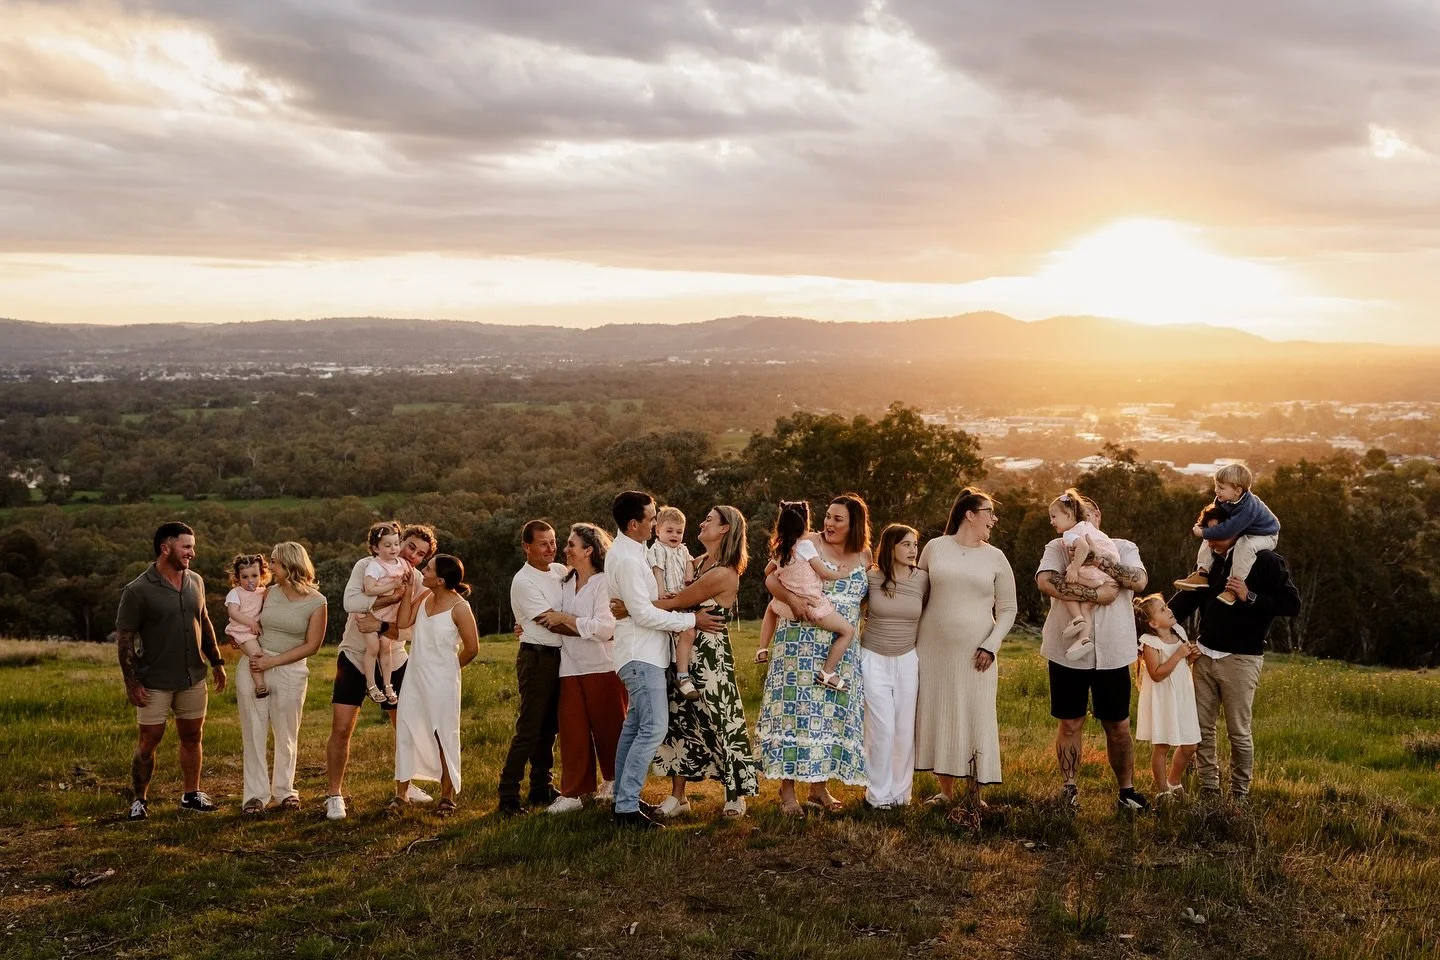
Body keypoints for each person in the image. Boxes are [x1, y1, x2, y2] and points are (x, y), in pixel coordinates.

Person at [606, 491, 725, 830]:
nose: (656, 522)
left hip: (644, 653)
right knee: (654, 728)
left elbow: (638, 605)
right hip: (640, 654)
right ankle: (626, 809)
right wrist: (692, 621)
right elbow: (643, 614)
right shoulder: (628, 560)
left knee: (633, 729)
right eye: (651, 518)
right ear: (634, 524)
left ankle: (622, 799)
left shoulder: (635, 553)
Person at [1168, 504, 1301, 799]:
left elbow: (1292, 605)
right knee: (1202, 729)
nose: (1213, 541)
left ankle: (1239, 793)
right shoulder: (1209, 562)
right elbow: (1187, 601)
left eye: (1220, 534)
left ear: (1237, 530)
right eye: (1209, 535)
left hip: (1242, 659)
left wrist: (1249, 596)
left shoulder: (1266, 561)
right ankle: (1209, 789)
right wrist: (1154, 621)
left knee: (1239, 732)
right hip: (1203, 656)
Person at [758, 493, 871, 816]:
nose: (829, 523)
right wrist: (792, 602)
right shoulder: (807, 541)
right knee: (796, 715)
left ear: (854, 525)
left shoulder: (864, 554)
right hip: (800, 643)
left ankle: (818, 790)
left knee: (827, 718)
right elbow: (769, 575)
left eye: (838, 519)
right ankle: (787, 791)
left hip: (841, 647)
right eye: (828, 517)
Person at [1036, 504, 1152, 812]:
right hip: (1068, 652)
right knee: (1070, 722)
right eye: (1080, 513)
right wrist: (1094, 595)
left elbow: (1139, 581)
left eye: (1090, 513)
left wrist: (1097, 559)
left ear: (1098, 516)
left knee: (1118, 726)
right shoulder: (1059, 545)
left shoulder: (1124, 547)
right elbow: (1046, 581)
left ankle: (1126, 792)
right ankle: (1069, 790)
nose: (1085, 518)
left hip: (1113, 651)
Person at [648, 505, 760, 819]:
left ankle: (735, 795)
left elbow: (677, 602)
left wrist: (633, 607)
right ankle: (678, 797)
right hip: (681, 654)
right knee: (680, 721)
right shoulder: (695, 562)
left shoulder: (723, 572)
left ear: (725, 529)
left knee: (722, 721)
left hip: (711, 658)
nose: (702, 522)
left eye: (710, 520)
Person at [325, 523, 437, 821]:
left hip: (394, 658)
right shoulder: (367, 566)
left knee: (404, 727)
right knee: (342, 728)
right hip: (354, 655)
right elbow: (350, 602)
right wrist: (385, 599)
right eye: (410, 547)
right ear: (398, 543)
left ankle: (407, 785)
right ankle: (334, 795)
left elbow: (411, 631)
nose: (413, 555)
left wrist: (382, 626)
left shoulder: (420, 584)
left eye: (421, 554)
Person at [116, 521, 226, 820]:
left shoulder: (196, 581)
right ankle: (140, 800)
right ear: (166, 548)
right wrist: (132, 682)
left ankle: (191, 795)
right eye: (186, 546)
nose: (192, 552)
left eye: (192, 546)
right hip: (154, 681)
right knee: (149, 739)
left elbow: (204, 621)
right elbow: (125, 639)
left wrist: (216, 662)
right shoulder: (137, 590)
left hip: (192, 676)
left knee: (192, 736)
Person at [914, 489, 1018, 806]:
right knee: (941, 712)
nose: (994, 519)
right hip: (933, 649)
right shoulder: (934, 548)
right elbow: (916, 595)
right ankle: (945, 792)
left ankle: (975, 794)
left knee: (976, 713)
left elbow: (1008, 609)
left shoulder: (996, 557)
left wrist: (991, 645)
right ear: (969, 514)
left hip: (978, 653)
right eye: (989, 512)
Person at [537, 523, 623, 813]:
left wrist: (566, 619)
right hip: (569, 665)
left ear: (588, 550)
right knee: (572, 729)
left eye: (571, 545)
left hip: (603, 665)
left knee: (609, 727)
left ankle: (614, 781)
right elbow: (550, 619)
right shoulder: (564, 581)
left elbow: (606, 629)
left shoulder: (603, 582)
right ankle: (573, 793)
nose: (565, 549)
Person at [239, 542, 327, 814]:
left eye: (274, 562)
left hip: (290, 670)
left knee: (286, 733)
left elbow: (312, 645)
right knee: (254, 731)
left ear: (289, 565)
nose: (269, 567)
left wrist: (274, 661)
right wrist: (243, 642)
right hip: (254, 667)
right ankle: (254, 796)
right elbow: (246, 619)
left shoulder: (317, 601)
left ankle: (285, 791)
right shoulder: (267, 593)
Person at [390, 554, 480, 815]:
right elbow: (404, 622)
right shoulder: (426, 597)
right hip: (414, 678)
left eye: (428, 569)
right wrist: (407, 591)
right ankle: (401, 794)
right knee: (406, 730)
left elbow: (472, 648)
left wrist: (449, 669)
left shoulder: (460, 608)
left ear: (440, 580)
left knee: (443, 734)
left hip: (442, 682)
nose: (423, 571)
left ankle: (447, 796)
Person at [499, 519, 567, 815]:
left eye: (553, 542)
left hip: (563, 658)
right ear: (527, 547)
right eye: (543, 543)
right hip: (537, 657)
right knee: (529, 728)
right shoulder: (523, 581)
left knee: (550, 728)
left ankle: (542, 787)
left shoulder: (562, 571)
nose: (550, 548)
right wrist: (592, 628)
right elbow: (550, 620)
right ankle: (508, 794)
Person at [755, 500, 857, 691]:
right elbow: (825, 573)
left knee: (770, 609)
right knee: (848, 631)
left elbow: (767, 571)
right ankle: (827, 673)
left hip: (786, 608)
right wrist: (841, 573)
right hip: (814, 606)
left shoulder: (780, 550)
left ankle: (762, 647)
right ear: (806, 524)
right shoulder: (806, 546)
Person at [860, 524, 927, 810]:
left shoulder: (923, 579)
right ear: (891, 547)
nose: (913, 550)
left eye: (915, 544)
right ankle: (877, 795)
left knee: (903, 729)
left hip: (907, 660)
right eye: (907, 544)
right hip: (873, 658)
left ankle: (901, 795)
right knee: (881, 728)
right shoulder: (871, 577)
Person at [1175, 462, 1282, 606]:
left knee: (1245, 545)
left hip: (1266, 535)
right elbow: (1213, 515)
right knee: (1209, 538)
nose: (1216, 490)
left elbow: (1228, 529)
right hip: (1246, 531)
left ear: (1237, 491)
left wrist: (1203, 532)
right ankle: (1202, 573)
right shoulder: (1223, 499)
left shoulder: (1248, 507)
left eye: (1221, 488)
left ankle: (1234, 587)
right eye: (1216, 486)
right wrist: (1202, 527)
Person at [1132, 594, 1201, 798]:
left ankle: (1174, 781)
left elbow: (1181, 666)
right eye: (1163, 610)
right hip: (1163, 698)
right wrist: (1179, 655)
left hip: (1182, 694)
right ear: (1152, 622)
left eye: (1167, 607)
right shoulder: (1150, 642)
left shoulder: (1178, 631)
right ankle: (1163, 791)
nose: (1169, 610)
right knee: (1163, 744)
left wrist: (1190, 658)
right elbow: (1157, 674)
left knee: (1190, 745)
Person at [1046, 488, 1121, 659]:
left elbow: (1084, 547)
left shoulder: (1070, 533)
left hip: (1095, 573)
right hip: (1108, 573)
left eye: (1053, 516)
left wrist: (1073, 567)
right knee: (1087, 605)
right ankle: (1083, 639)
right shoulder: (1087, 526)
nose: (1051, 522)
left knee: (1066, 581)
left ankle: (1078, 618)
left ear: (1069, 515)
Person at [647, 505, 700, 701]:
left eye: (679, 531)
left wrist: (688, 579)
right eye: (669, 531)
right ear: (657, 530)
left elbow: (690, 563)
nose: (674, 535)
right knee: (686, 632)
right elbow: (657, 570)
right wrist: (661, 592)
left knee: (686, 634)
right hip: (668, 598)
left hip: (682, 598)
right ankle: (682, 677)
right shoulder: (658, 549)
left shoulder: (683, 549)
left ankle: (680, 673)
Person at [360, 522, 411, 704]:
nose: (393, 549)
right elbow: (369, 588)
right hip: (373, 613)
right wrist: (392, 585)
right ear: (375, 548)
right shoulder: (375, 566)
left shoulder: (403, 563)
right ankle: (371, 684)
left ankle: (388, 685)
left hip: (391, 613)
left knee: (386, 647)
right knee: (373, 648)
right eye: (387, 545)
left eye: (396, 544)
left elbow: (408, 581)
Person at [224, 553, 271, 699]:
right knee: (256, 654)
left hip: (254, 631)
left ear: (261, 575)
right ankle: (260, 686)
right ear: (238, 578)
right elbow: (233, 613)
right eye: (245, 577)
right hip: (242, 631)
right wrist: (252, 623)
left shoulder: (263, 592)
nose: (250, 580)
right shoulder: (235, 593)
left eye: (254, 576)